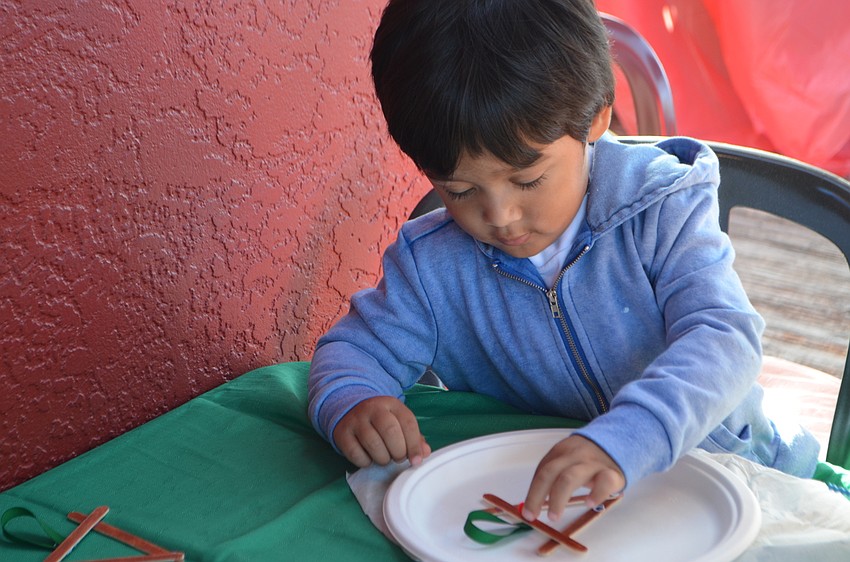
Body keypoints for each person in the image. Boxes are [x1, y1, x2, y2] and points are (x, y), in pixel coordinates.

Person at [308, 0, 819, 523]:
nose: (500, 215)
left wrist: (629, 436)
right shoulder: (430, 267)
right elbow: (355, 350)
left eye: (528, 179)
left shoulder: (662, 208)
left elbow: (725, 336)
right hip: (567, 508)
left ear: (596, 117)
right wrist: (353, 400)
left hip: (747, 478)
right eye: (459, 190)